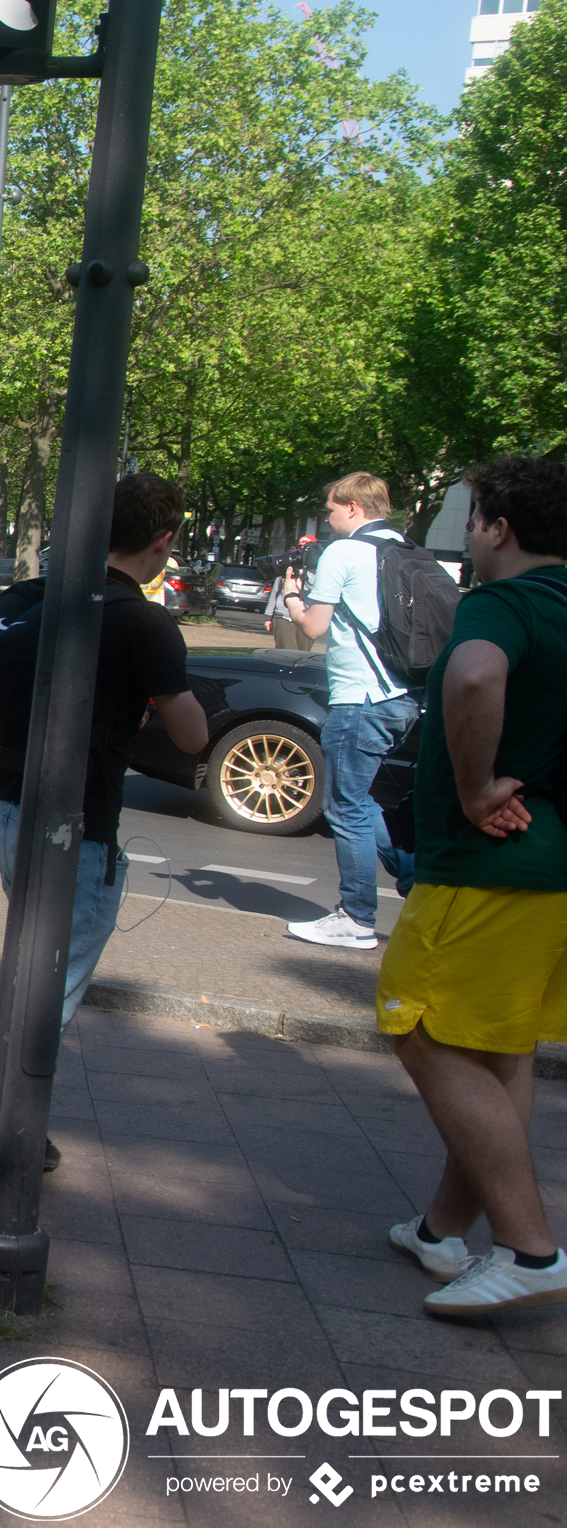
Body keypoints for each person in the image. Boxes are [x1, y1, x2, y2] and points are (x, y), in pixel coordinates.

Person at [0, 473, 209, 1191]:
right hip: (76, 827)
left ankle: (12, 1121)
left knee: (34, 971)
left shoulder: (45, 593)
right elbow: (193, 732)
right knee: (42, 989)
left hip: (12, 807)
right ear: (163, 538)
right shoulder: (143, 619)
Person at [375, 454, 567, 1315]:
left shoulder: (501, 602)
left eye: (474, 518)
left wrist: (476, 784)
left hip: (485, 864)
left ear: (497, 528)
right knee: (502, 1045)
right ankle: (443, 1229)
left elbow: (476, 673)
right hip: (550, 864)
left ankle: (530, 1249)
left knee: (415, 1025)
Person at [279, 474, 420, 950]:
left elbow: (314, 627)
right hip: (401, 698)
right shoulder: (405, 549)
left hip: (359, 696)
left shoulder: (344, 551)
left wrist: (293, 595)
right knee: (361, 802)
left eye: (332, 509)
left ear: (355, 509)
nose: (328, 517)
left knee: (346, 807)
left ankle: (356, 917)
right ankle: (414, 878)